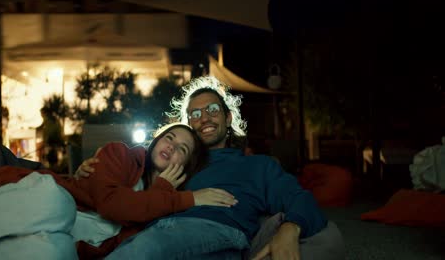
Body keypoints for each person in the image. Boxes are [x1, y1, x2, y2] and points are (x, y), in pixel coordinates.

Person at [79, 76, 344, 260]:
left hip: (214, 232)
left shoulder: (257, 165)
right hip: (156, 230)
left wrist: (290, 229)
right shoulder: (177, 164)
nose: (203, 117)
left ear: (228, 117)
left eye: (212, 110)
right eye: (194, 114)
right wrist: (93, 172)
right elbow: (131, 180)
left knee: (327, 238)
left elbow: (300, 199)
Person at [0, 123, 237, 259]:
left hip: (56, 239)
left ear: (185, 166)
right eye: (170, 137)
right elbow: (112, 206)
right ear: (156, 140)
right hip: (32, 202)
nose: (172, 145)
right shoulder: (119, 154)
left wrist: (165, 194)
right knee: (58, 202)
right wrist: (182, 197)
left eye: (182, 148)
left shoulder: (161, 212)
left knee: (57, 252)